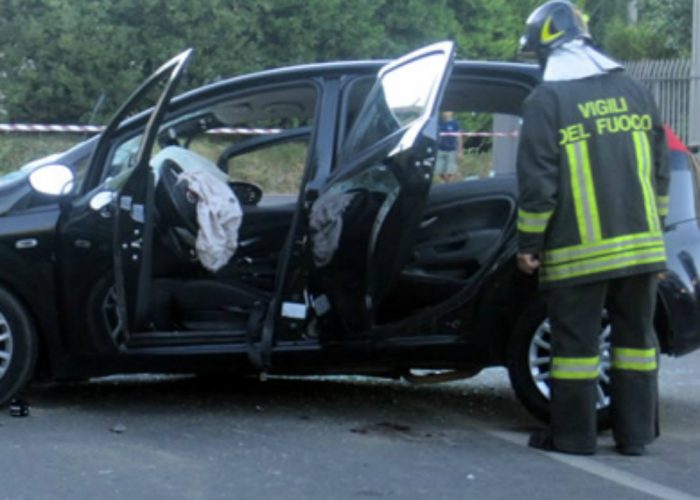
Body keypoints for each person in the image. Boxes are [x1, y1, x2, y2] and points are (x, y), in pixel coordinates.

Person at [516, 0, 669, 456]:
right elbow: (660, 171)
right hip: (643, 249)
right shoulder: (634, 89)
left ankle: (574, 438)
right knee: (637, 344)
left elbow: (539, 182)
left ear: (547, 48)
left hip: (579, 253)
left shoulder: (546, 100)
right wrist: (656, 233)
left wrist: (529, 243)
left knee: (576, 350)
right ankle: (635, 438)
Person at [435, 111, 463, 182]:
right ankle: (446, 182)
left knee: (450, 172)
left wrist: (459, 151)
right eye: (444, 111)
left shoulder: (455, 124)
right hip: (440, 150)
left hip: (452, 150)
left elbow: (459, 138)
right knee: (438, 171)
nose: (445, 113)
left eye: (448, 111)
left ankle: (448, 186)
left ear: (451, 113)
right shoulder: (439, 123)